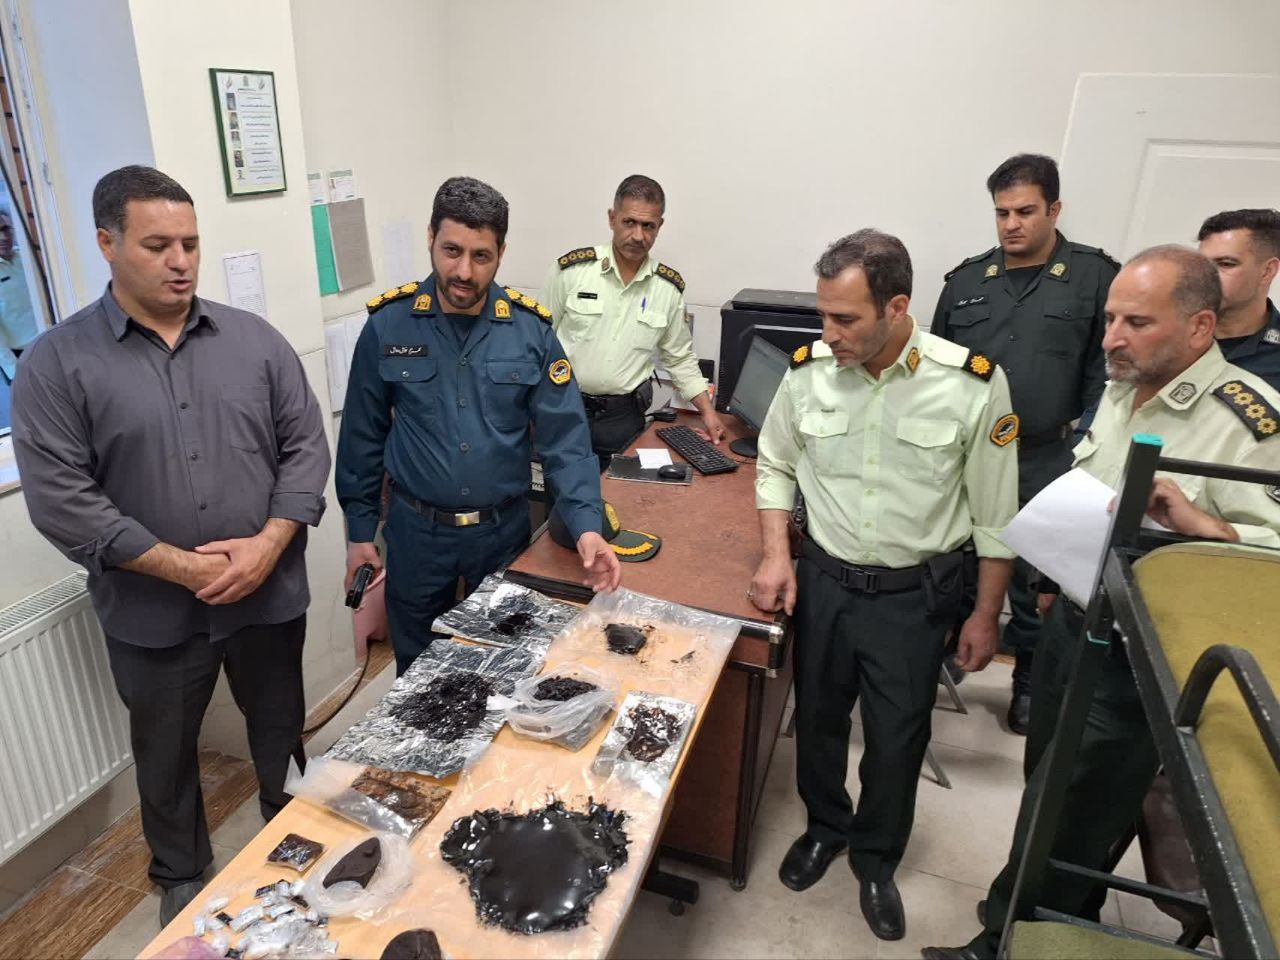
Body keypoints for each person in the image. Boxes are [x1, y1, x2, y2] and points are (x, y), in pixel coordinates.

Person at [923, 245, 1280, 960]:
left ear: (1200, 326)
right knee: (1046, 784)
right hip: (1074, 621)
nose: (1111, 336)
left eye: (1136, 322)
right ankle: (1056, 916)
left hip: (1137, 655)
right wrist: (1049, 584)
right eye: (1111, 318)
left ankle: (1005, 940)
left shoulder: (1246, 420)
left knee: (1072, 807)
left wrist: (1207, 527)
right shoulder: (1125, 385)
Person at [11, 165, 331, 925]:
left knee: (279, 720)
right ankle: (182, 874)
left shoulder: (254, 342)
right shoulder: (56, 364)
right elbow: (63, 501)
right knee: (164, 751)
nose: (181, 261)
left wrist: (268, 544)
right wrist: (184, 569)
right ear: (107, 244)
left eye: (190, 243)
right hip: (151, 610)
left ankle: (290, 824)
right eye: (158, 246)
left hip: (266, 593)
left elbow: (305, 447)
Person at [750, 229, 1018, 941]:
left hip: (912, 598)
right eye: (823, 315)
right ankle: (824, 829)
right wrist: (776, 556)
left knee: (898, 740)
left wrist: (985, 614)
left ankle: (875, 859)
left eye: (845, 319)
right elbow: (775, 463)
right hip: (826, 583)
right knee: (818, 721)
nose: (827, 334)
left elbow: (995, 514)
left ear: (897, 308)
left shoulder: (970, 384)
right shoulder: (809, 372)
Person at [337, 176, 620, 676]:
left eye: (481, 256)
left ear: (501, 253)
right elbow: (362, 437)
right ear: (430, 238)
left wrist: (587, 527)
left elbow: (567, 442)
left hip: (501, 534)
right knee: (417, 672)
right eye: (451, 251)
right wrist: (360, 533)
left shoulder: (531, 331)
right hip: (417, 535)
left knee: (504, 666)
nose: (464, 271)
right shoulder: (388, 325)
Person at [931, 154, 1119, 735]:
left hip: (1047, 454)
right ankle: (950, 650)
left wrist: (1087, 453)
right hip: (970, 453)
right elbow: (936, 370)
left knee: (1038, 579)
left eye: (1025, 211)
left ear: (1054, 210)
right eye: (1002, 213)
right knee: (960, 560)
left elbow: (1107, 378)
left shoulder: (1094, 278)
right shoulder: (966, 282)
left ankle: (1029, 679)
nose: (1011, 224)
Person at [541, 174, 725, 465]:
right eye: (629, 222)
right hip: (565, 406)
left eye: (648, 226)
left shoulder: (667, 289)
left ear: (659, 226)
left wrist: (708, 412)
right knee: (561, 490)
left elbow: (679, 358)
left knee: (621, 491)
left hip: (624, 417)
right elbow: (537, 342)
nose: (638, 236)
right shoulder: (572, 271)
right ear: (612, 218)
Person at [1198, 208, 1280, 386]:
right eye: (1201, 264)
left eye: (1225, 264)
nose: (1205, 275)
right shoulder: (1171, 334)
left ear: (1267, 271)